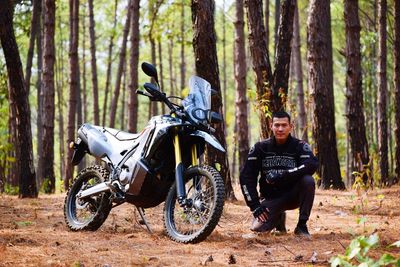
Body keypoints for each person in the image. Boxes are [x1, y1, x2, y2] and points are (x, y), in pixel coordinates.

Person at [239, 111, 318, 238]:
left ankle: (302, 225)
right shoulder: (260, 147)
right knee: (258, 230)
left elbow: (311, 164)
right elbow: (246, 177)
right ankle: (279, 219)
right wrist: (254, 205)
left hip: (293, 196)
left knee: (308, 181)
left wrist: (284, 174)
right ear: (271, 126)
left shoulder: (300, 146)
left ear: (290, 126)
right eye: (276, 125)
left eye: (284, 125)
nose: (280, 129)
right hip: (271, 198)